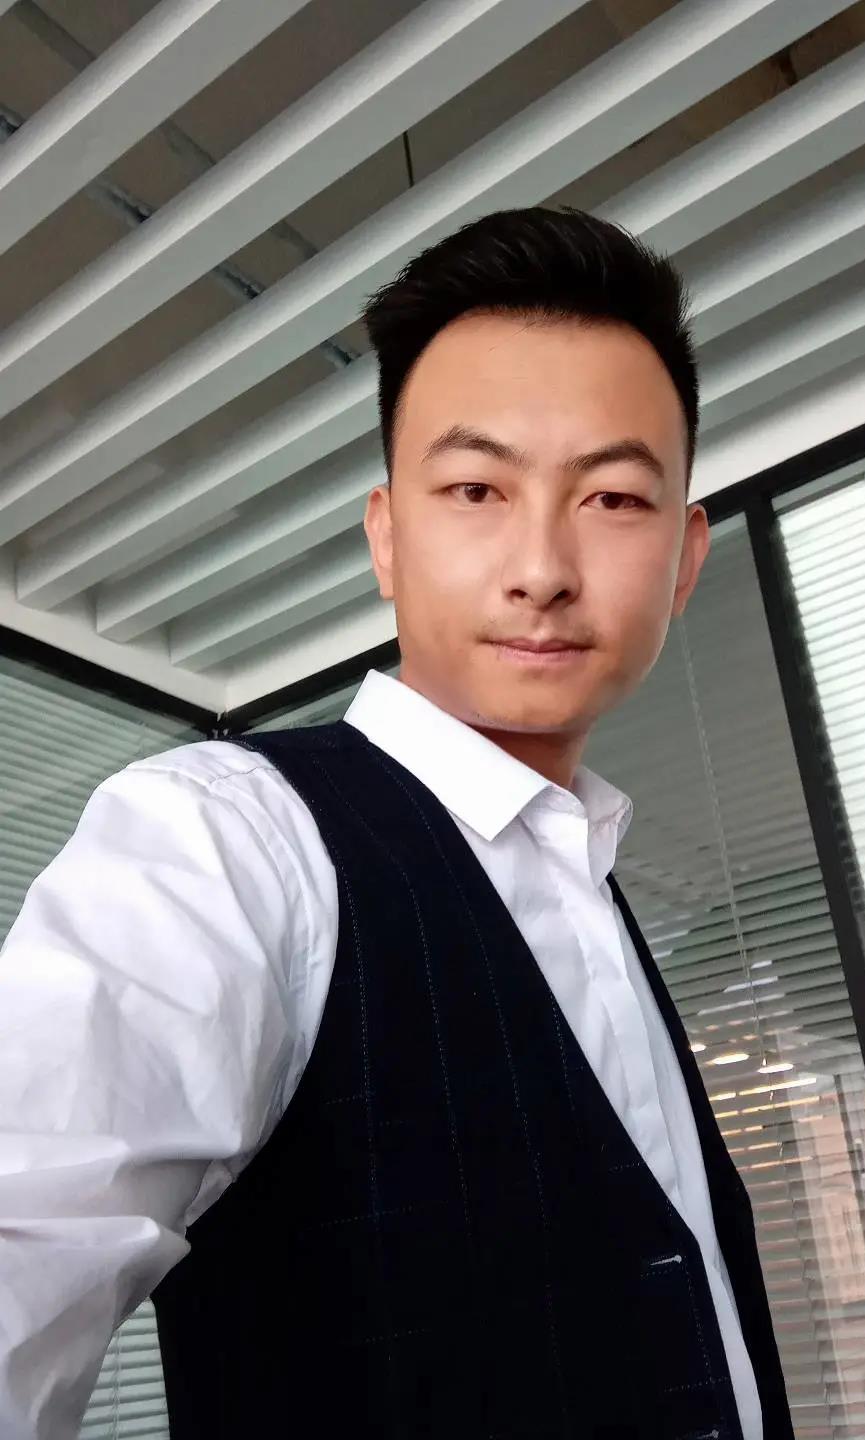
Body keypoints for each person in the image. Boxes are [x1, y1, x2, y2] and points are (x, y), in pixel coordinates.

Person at [0, 207, 794, 1439]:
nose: (542, 567)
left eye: (613, 498)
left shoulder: (593, 889)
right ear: (386, 538)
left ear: (686, 560)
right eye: (476, 488)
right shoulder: (231, 841)